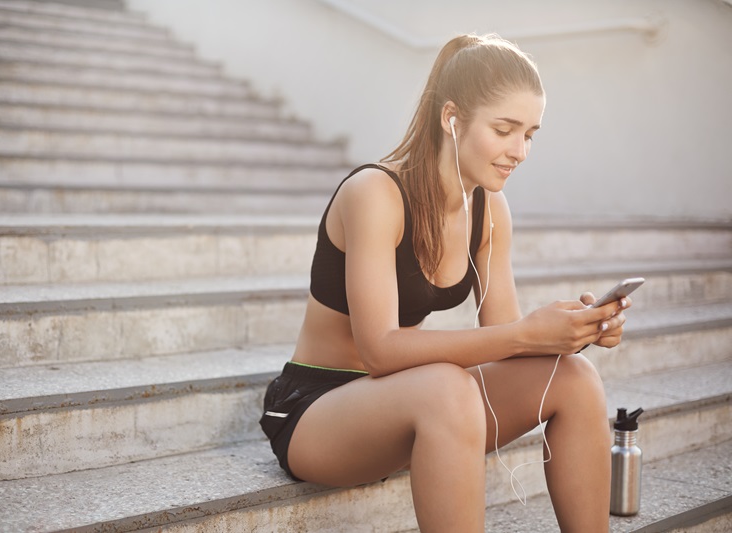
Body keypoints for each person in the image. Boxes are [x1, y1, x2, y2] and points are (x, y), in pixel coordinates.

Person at [259, 33, 629, 532]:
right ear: (451, 118)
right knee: (446, 388)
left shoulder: (490, 211)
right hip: (317, 410)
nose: (519, 151)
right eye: (504, 130)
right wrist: (525, 333)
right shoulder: (375, 193)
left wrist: (573, 331)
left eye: (531, 134)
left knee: (575, 380)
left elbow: (504, 341)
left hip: (408, 402)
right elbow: (380, 351)